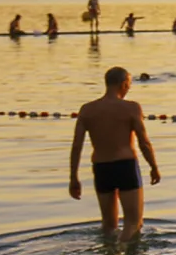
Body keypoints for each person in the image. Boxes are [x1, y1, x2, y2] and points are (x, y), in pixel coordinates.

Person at [69, 65, 161, 241]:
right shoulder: (132, 108)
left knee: (109, 225)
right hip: (125, 166)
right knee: (134, 223)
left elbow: (76, 146)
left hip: (101, 168)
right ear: (124, 84)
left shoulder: (87, 110)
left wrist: (73, 176)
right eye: (129, 84)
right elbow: (144, 142)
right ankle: (123, 252)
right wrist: (154, 167)